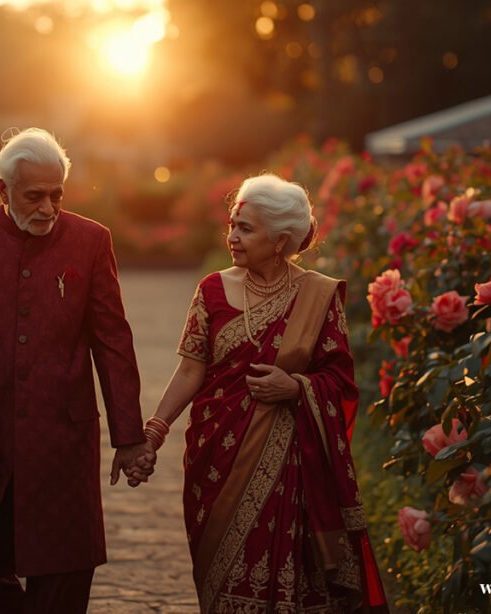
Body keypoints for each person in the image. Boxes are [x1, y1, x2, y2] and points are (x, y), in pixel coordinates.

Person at [0, 128, 155, 614]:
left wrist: (128, 437)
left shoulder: (90, 241)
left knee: (64, 575)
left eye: (57, 195)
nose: (48, 208)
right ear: (3, 191)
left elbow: (113, 343)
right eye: (34, 196)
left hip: (62, 443)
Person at [141, 174, 389, 613]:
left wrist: (295, 386)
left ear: (280, 240)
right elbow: (190, 369)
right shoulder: (212, 290)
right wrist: (155, 431)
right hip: (216, 457)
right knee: (219, 575)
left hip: (294, 462)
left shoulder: (318, 295)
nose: (233, 237)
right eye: (233, 225)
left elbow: (341, 380)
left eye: (246, 228)